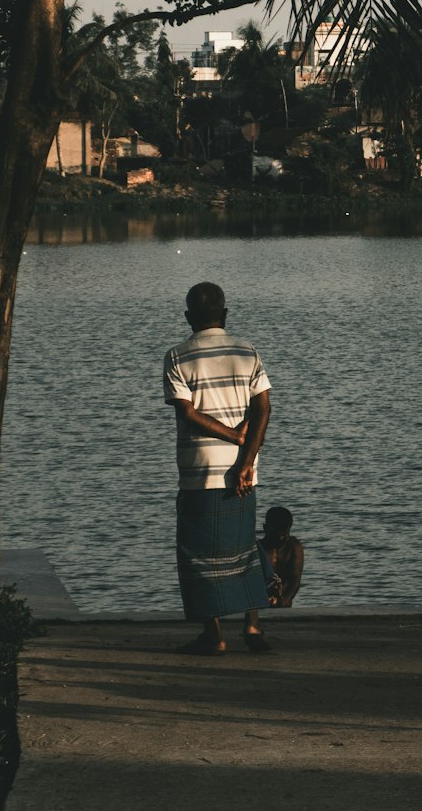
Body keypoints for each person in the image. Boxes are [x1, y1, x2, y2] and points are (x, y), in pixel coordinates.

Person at [163, 281, 273, 655]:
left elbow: (187, 412)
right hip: (243, 470)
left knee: (196, 552)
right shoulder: (248, 352)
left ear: (188, 317)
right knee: (243, 545)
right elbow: (263, 409)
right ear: (224, 315)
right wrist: (247, 459)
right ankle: (253, 626)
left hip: (200, 469)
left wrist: (232, 437)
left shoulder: (177, 356)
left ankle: (214, 635)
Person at [260, 506, 304, 608]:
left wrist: (285, 599)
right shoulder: (258, 549)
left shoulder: (294, 546)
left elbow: (295, 579)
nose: (280, 539)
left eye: (284, 535)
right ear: (265, 529)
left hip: (284, 603)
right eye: (276, 535)